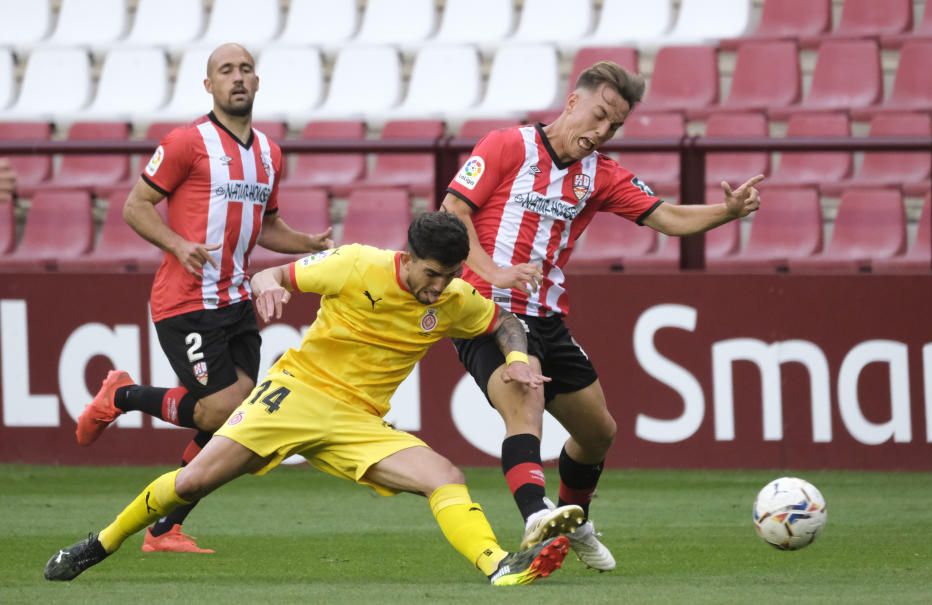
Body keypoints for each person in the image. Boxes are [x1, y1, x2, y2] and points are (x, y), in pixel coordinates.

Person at [45, 213, 584, 586]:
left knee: (444, 475)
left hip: (358, 421)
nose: (439, 287)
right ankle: (101, 543)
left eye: (449, 277)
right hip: (295, 395)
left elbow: (505, 321)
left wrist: (516, 357)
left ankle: (499, 566)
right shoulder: (354, 264)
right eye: (432, 274)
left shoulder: (454, 297)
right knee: (191, 483)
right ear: (409, 256)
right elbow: (271, 273)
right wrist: (270, 285)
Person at [441, 60, 763, 571]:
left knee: (599, 433)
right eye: (598, 116)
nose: (601, 131)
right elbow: (453, 212)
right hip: (485, 310)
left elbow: (667, 218)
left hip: (546, 315)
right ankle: (535, 516)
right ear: (572, 102)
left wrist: (728, 211)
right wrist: (493, 271)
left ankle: (575, 519)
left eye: (614, 125)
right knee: (524, 402)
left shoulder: (601, 175)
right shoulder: (507, 146)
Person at [73, 43, 333, 554]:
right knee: (221, 414)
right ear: (208, 85)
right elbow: (135, 205)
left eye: (245, 69)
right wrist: (176, 244)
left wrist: (306, 244)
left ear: (257, 82)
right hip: (185, 300)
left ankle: (164, 528)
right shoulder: (185, 142)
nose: (237, 78)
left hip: (237, 300)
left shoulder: (269, 153)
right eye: (225, 71)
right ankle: (121, 396)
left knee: (236, 423)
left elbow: (267, 225)